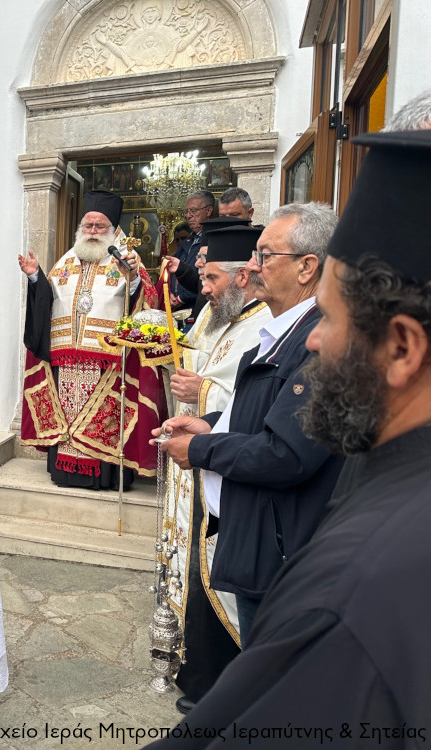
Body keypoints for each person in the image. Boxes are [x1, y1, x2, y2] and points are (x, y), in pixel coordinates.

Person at [148, 128, 431, 750]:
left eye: (328, 318)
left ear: (404, 348)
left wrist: (202, 446)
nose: (311, 340)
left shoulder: (358, 583)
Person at [154, 202, 344, 642]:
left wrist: (201, 450)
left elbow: (286, 453)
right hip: (263, 537)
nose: (252, 267)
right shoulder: (287, 328)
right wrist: (213, 425)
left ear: (306, 267)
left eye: (264, 255)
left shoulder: (318, 339)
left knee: (274, 683)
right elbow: (265, 416)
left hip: (281, 549)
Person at [162, 226, 272, 714]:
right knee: (192, 567)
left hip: (225, 466)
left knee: (213, 569)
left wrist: (200, 392)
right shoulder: (217, 312)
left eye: (209, 278)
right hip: (198, 456)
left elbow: (249, 402)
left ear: (242, 276)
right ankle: (197, 669)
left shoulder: (262, 321)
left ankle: (222, 687)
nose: (201, 287)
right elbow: (200, 362)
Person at [19, 189, 163, 490]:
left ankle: (108, 476)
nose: (93, 231)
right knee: (67, 416)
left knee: (105, 417)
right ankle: (65, 473)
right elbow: (46, 301)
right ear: (80, 229)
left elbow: (148, 302)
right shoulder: (65, 262)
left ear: (112, 230)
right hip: (65, 357)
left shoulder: (125, 259)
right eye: (88, 226)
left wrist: (134, 278)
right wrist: (35, 277)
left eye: (100, 226)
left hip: (108, 359)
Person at [169, 190, 216, 311]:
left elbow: (207, 279)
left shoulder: (212, 239)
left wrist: (181, 298)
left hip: (197, 308)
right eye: (187, 211)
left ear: (208, 210)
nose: (188, 216)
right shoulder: (187, 242)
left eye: (193, 211)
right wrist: (169, 293)